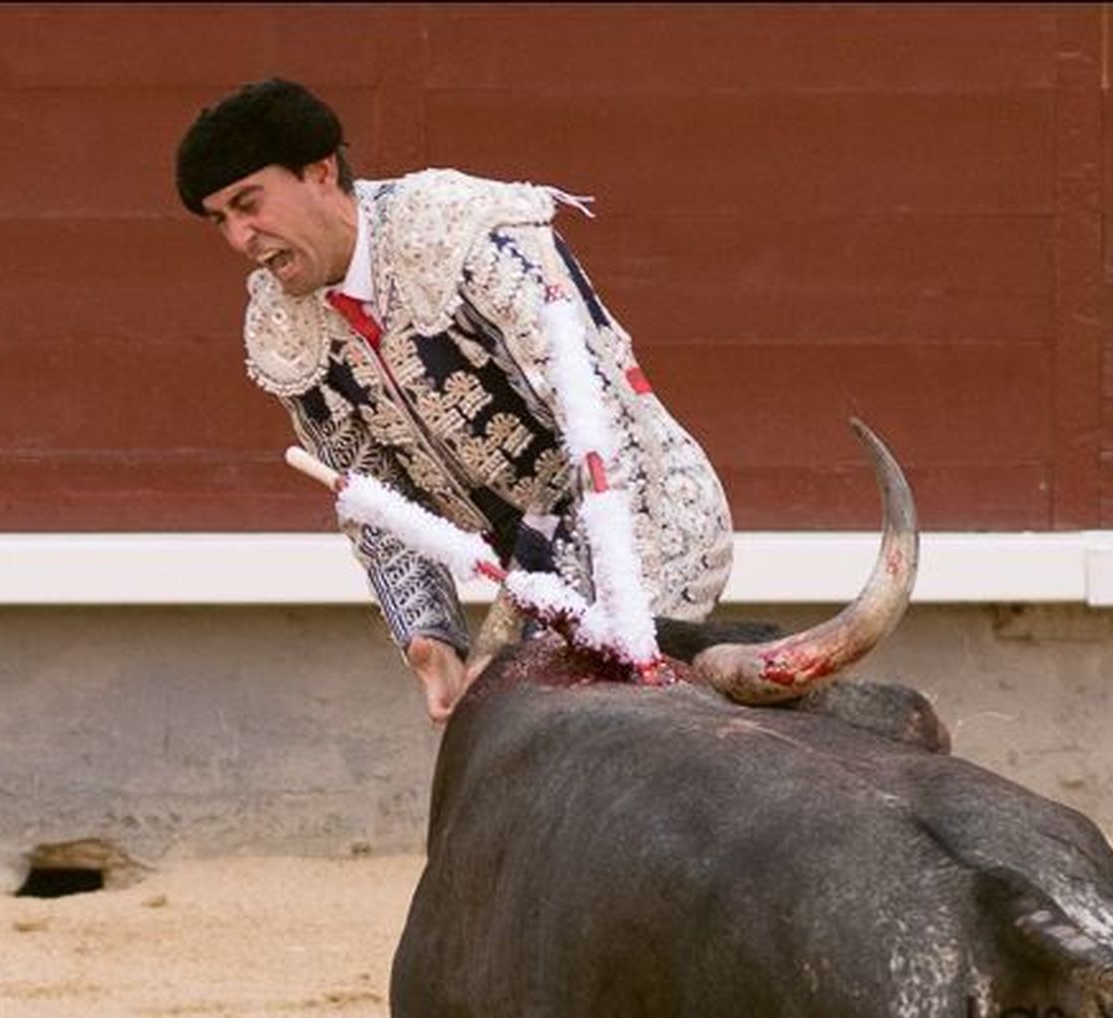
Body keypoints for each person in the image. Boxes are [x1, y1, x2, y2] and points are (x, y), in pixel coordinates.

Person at [176, 78, 732, 724]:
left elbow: (605, 435)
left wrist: (558, 635)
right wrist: (428, 633)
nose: (240, 238)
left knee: (561, 726)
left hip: (648, 520)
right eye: (220, 220)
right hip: (532, 566)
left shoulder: (459, 235)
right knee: (503, 723)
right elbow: (373, 496)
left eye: (249, 204)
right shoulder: (285, 326)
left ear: (321, 171)